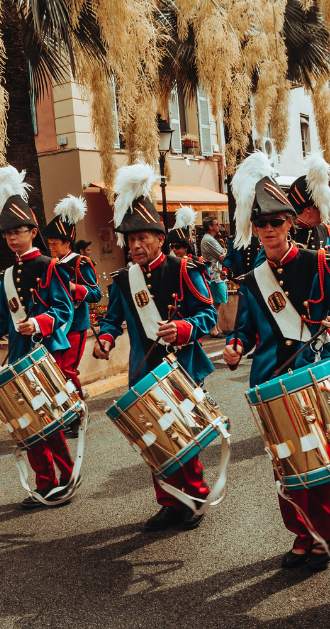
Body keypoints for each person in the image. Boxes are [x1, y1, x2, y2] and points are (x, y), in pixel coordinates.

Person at [222, 150, 330, 572]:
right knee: (283, 463)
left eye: (276, 222)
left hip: (312, 374)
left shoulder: (319, 263)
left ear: (290, 222)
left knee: (316, 458)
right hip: (269, 378)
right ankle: (301, 533)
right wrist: (235, 347)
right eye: (260, 224)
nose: (268, 230)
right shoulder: (253, 278)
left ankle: (325, 534)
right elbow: (244, 328)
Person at [94, 162, 217, 532]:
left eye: (142, 238)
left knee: (183, 437)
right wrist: (104, 338)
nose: (134, 246)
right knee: (154, 441)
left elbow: (207, 316)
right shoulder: (124, 280)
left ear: (159, 239)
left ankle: (193, 499)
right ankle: (168, 502)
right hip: (144, 372)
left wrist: (181, 328)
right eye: (130, 240)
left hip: (181, 370)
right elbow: (112, 319)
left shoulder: (183, 270)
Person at [0, 166, 76, 509]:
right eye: (7, 234)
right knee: (26, 422)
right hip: (19, 357)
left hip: (45, 354)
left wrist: (39, 323)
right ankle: (44, 482)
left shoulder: (49, 265)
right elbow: (0, 317)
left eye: (18, 232)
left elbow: (64, 310)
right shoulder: (6, 275)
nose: (13, 238)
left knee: (47, 419)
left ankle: (66, 477)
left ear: (33, 232)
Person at [42, 194, 102, 439]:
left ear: (68, 242)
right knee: (56, 372)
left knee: (67, 371)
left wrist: (75, 288)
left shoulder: (80, 262)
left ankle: (76, 415)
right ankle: (66, 411)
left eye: (56, 242)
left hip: (75, 325)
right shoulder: (51, 264)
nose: (52, 247)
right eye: (50, 243)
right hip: (57, 327)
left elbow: (96, 293)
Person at [291, 176, 330, 251]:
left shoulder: (325, 230)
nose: (325, 211)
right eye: (322, 206)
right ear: (309, 209)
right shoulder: (284, 229)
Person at [200, 216, 228, 337]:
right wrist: (226, 254)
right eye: (217, 224)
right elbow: (223, 256)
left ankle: (217, 327)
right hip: (215, 275)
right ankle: (213, 330)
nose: (219, 226)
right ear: (210, 226)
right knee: (215, 304)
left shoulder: (209, 238)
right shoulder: (208, 239)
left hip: (216, 273)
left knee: (217, 303)